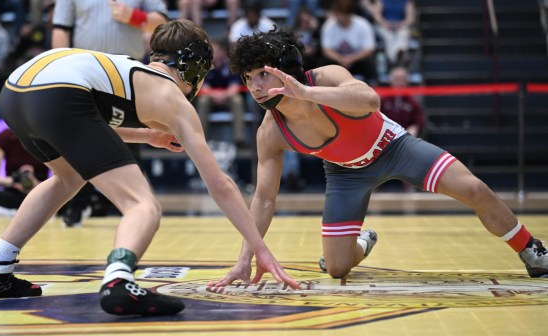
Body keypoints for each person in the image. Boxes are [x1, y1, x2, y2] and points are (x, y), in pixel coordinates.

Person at [0, 20, 299, 317]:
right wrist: (260, 249)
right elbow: (220, 184)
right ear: (193, 69)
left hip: (15, 92)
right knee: (143, 205)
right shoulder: (171, 97)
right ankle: (119, 281)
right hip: (61, 94)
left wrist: (147, 136)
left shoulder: (128, 70)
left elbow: (86, 120)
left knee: (68, 178)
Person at [208, 28, 548, 287]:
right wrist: (245, 258)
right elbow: (264, 200)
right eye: (248, 78)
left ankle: (531, 249)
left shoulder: (326, 77)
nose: (254, 87)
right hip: (346, 174)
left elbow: (370, 101)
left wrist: (307, 93)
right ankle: (362, 240)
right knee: (338, 268)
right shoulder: (271, 132)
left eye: (262, 74)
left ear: (287, 69)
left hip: (395, 148)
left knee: (473, 189)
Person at [52, 0, 169, 226]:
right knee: (81, 140)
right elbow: (61, 29)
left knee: (132, 140)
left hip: (126, 72)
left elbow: (161, 25)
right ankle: (77, 204)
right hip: (83, 72)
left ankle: (142, 206)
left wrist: (134, 16)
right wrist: (60, 65)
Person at [0, 128, 49, 216]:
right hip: (13, 193)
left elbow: (61, 177)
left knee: (66, 194)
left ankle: (12, 212)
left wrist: (36, 185)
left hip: (41, 192)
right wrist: (14, 181)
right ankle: (21, 212)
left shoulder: (47, 136)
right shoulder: (5, 137)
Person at [196, 39, 246, 147]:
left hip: (227, 97)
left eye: (215, 51)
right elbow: (204, 87)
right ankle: (201, 138)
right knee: (203, 100)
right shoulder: (204, 66)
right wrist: (215, 95)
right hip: (210, 97)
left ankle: (239, 139)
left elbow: (235, 87)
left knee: (237, 100)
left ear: (222, 52)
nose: (211, 54)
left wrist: (222, 95)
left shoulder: (230, 66)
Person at [320, 0, 378, 85]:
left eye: (341, 14)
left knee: (369, 63)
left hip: (357, 60)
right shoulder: (329, 25)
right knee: (323, 63)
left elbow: (369, 49)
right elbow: (326, 49)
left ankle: (374, 86)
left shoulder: (363, 24)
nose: (338, 17)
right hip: (337, 61)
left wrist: (352, 59)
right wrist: (340, 59)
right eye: (337, 14)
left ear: (348, 14)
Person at [363, 0, 415, 68]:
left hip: (400, 26)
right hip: (384, 26)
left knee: (403, 34)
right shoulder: (381, 1)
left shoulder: (407, 1)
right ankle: (397, 58)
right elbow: (377, 16)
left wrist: (401, 24)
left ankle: (398, 55)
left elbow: (410, 18)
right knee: (389, 36)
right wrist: (385, 24)